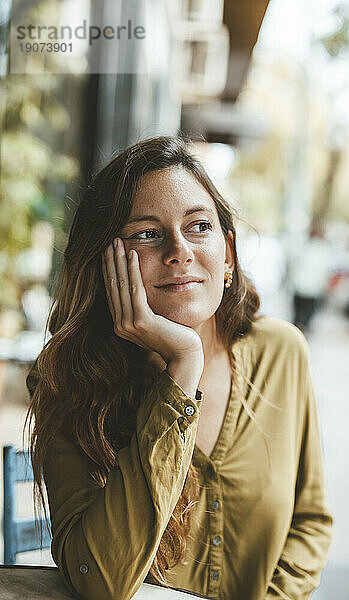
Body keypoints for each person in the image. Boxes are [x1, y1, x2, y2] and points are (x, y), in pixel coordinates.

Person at [25, 136, 333, 600]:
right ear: (102, 261)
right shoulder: (67, 376)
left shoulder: (282, 352)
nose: (179, 251)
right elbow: (99, 581)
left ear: (227, 253)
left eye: (199, 226)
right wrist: (182, 368)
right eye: (146, 233)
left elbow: (309, 523)